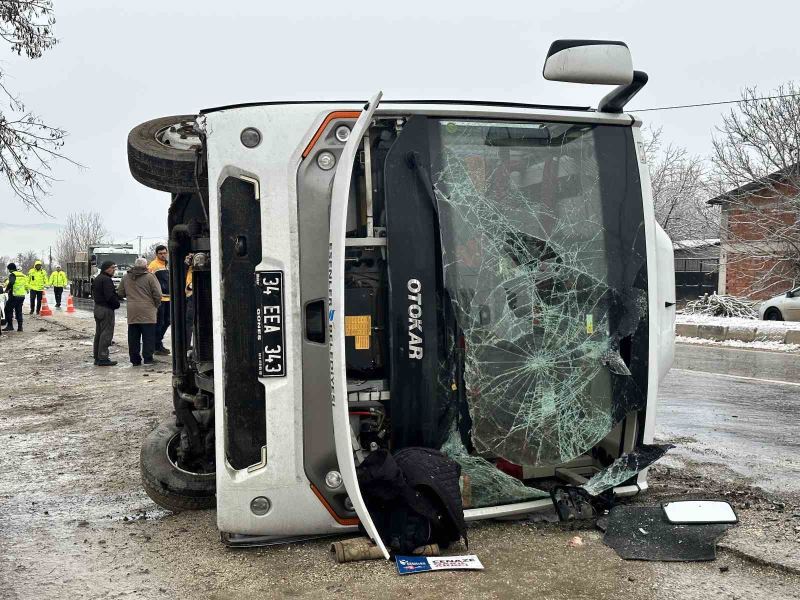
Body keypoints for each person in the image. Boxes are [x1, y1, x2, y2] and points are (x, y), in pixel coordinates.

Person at [117, 257, 161, 366]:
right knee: (148, 336)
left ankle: (135, 359)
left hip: (132, 311)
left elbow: (120, 293)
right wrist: (156, 305)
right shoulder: (150, 277)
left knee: (133, 337)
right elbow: (158, 294)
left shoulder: (126, 277)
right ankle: (148, 358)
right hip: (148, 310)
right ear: (146, 266)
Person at [92, 260, 120, 366]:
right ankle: (103, 357)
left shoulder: (98, 279)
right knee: (106, 334)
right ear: (107, 268)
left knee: (99, 333)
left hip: (98, 308)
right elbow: (110, 296)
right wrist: (116, 303)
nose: (114, 270)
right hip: (106, 309)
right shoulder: (106, 280)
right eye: (113, 268)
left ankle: (97, 356)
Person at [148, 245, 171, 355]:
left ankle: (157, 342)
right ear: (156, 254)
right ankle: (156, 345)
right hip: (160, 298)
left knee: (167, 321)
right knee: (160, 322)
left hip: (169, 297)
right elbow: (150, 281)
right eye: (160, 253)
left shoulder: (167, 264)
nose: (163, 255)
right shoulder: (153, 265)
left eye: (164, 253)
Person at [4, 263, 28, 332]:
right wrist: (27, 289)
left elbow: (11, 282)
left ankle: (10, 326)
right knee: (19, 310)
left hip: (14, 295)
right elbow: (26, 284)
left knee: (7, 309)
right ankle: (20, 327)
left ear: (10, 269)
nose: (8, 271)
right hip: (21, 296)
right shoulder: (22, 275)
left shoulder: (13, 274)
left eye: (9, 269)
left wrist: (6, 289)